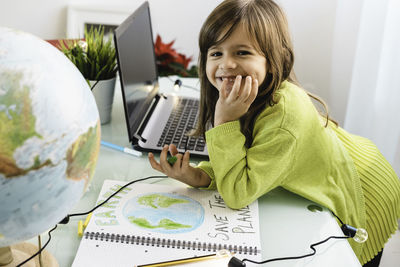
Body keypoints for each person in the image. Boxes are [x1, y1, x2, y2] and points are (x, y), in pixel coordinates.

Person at [148, 0, 400, 266]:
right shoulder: (243, 96)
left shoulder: (282, 117)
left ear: (273, 57)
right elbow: (246, 160)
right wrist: (200, 176)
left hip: (365, 192)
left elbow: (238, 193)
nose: (227, 64)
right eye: (216, 53)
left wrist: (224, 122)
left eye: (242, 52)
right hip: (345, 164)